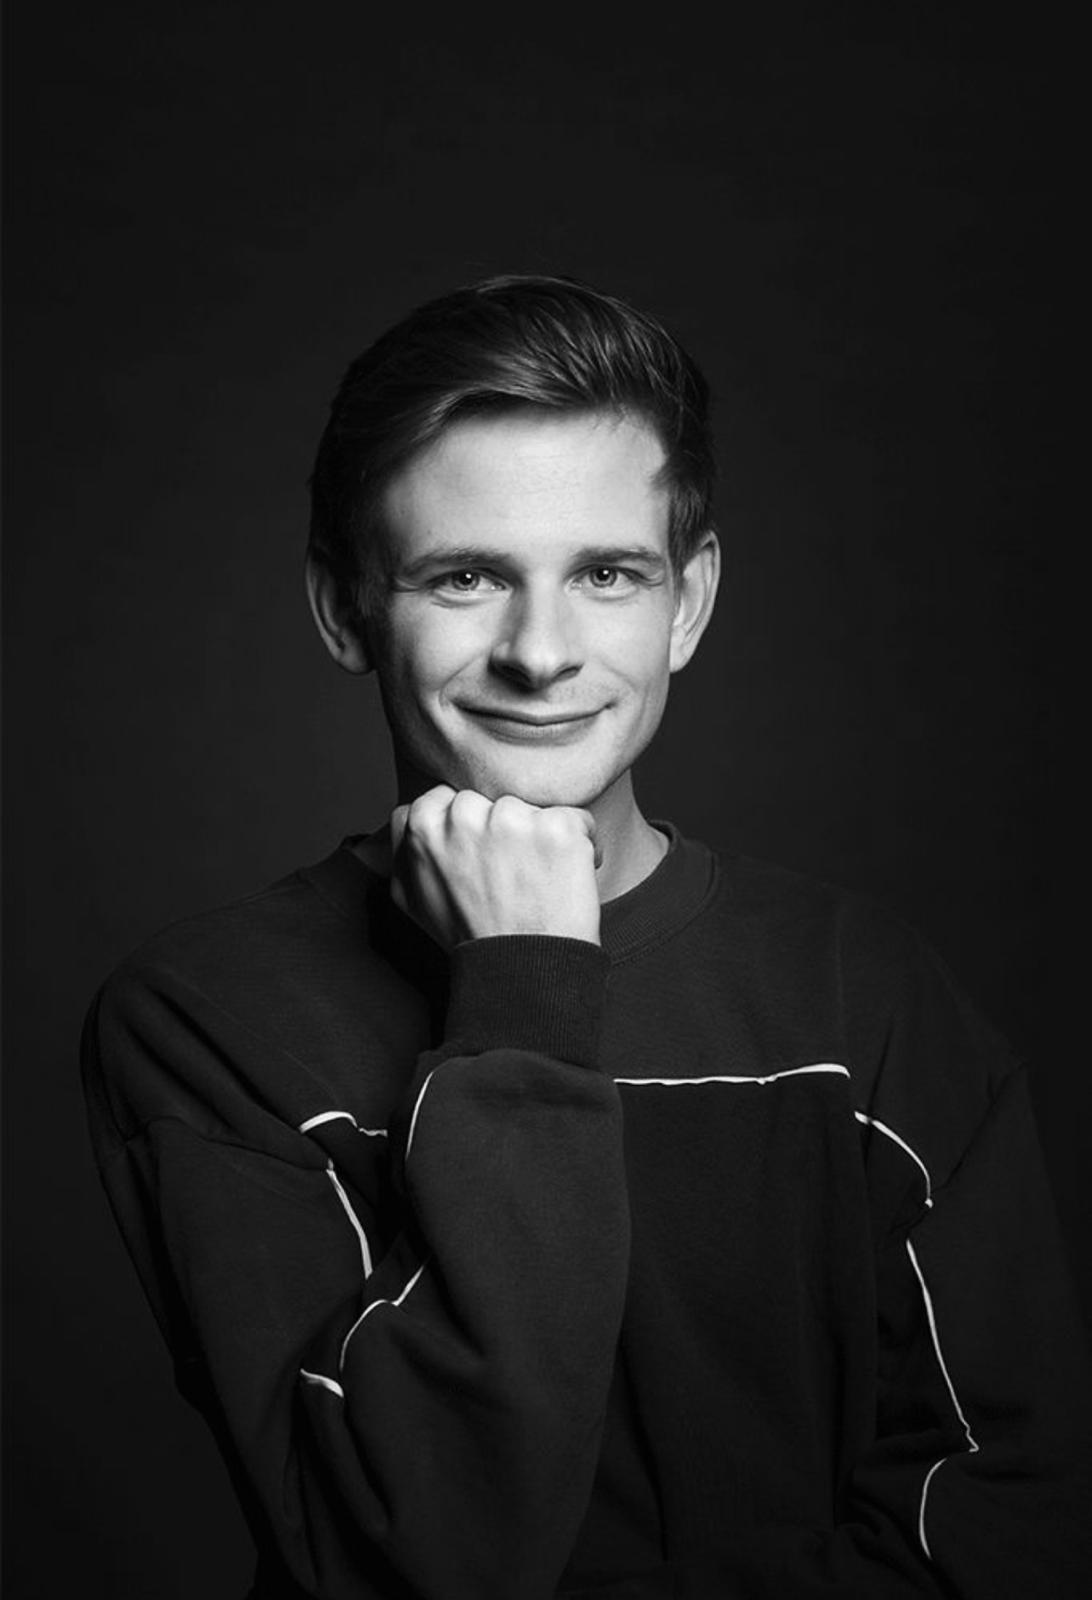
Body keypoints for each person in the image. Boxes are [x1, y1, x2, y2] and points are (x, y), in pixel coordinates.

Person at [81, 275, 1090, 1600]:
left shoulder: (866, 994)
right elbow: (406, 1553)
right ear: (345, 609)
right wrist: (522, 994)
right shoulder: (210, 1017)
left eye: (607, 574)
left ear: (689, 602)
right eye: (466, 577)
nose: (541, 653)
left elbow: (1008, 1514)